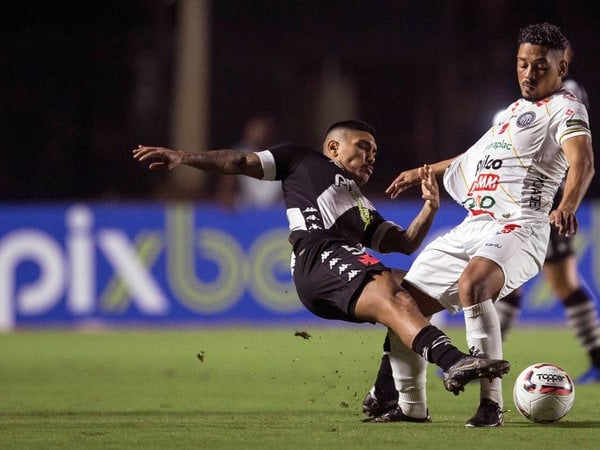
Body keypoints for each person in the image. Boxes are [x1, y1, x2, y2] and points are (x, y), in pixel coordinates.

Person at [132, 120, 510, 422]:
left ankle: (384, 394)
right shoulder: (302, 160)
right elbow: (240, 162)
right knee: (394, 297)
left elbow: (404, 243)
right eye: (363, 146)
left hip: (341, 260)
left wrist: (428, 209)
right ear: (333, 147)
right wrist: (183, 157)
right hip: (319, 254)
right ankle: (453, 361)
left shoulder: (360, 205)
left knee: (411, 293)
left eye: (375, 152)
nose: (371, 156)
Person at [362, 23, 595, 427]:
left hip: (521, 226)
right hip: (476, 224)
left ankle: (491, 404)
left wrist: (568, 203)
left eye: (540, 66)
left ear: (562, 66)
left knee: (473, 285)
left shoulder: (567, 106)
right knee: (403, 305)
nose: (529, 73)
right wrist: (421, 173)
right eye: (522, 64)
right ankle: (409, 405)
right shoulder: (514, 114)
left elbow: (583, 162)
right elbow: (470, 158)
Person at [494, 47, 600, 385]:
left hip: (542, 204)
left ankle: (485, 360)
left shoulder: (568, 95)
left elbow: (570, 148)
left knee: (511, 281)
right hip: (535, 204)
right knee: (551, 283)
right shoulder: (532, 100)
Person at [214, 115, 284, 209]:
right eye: (254, 130)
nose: (257, 135)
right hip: (246, 210)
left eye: (261, 130)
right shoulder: (238, 155)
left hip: (276, 211)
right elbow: (226, 188)